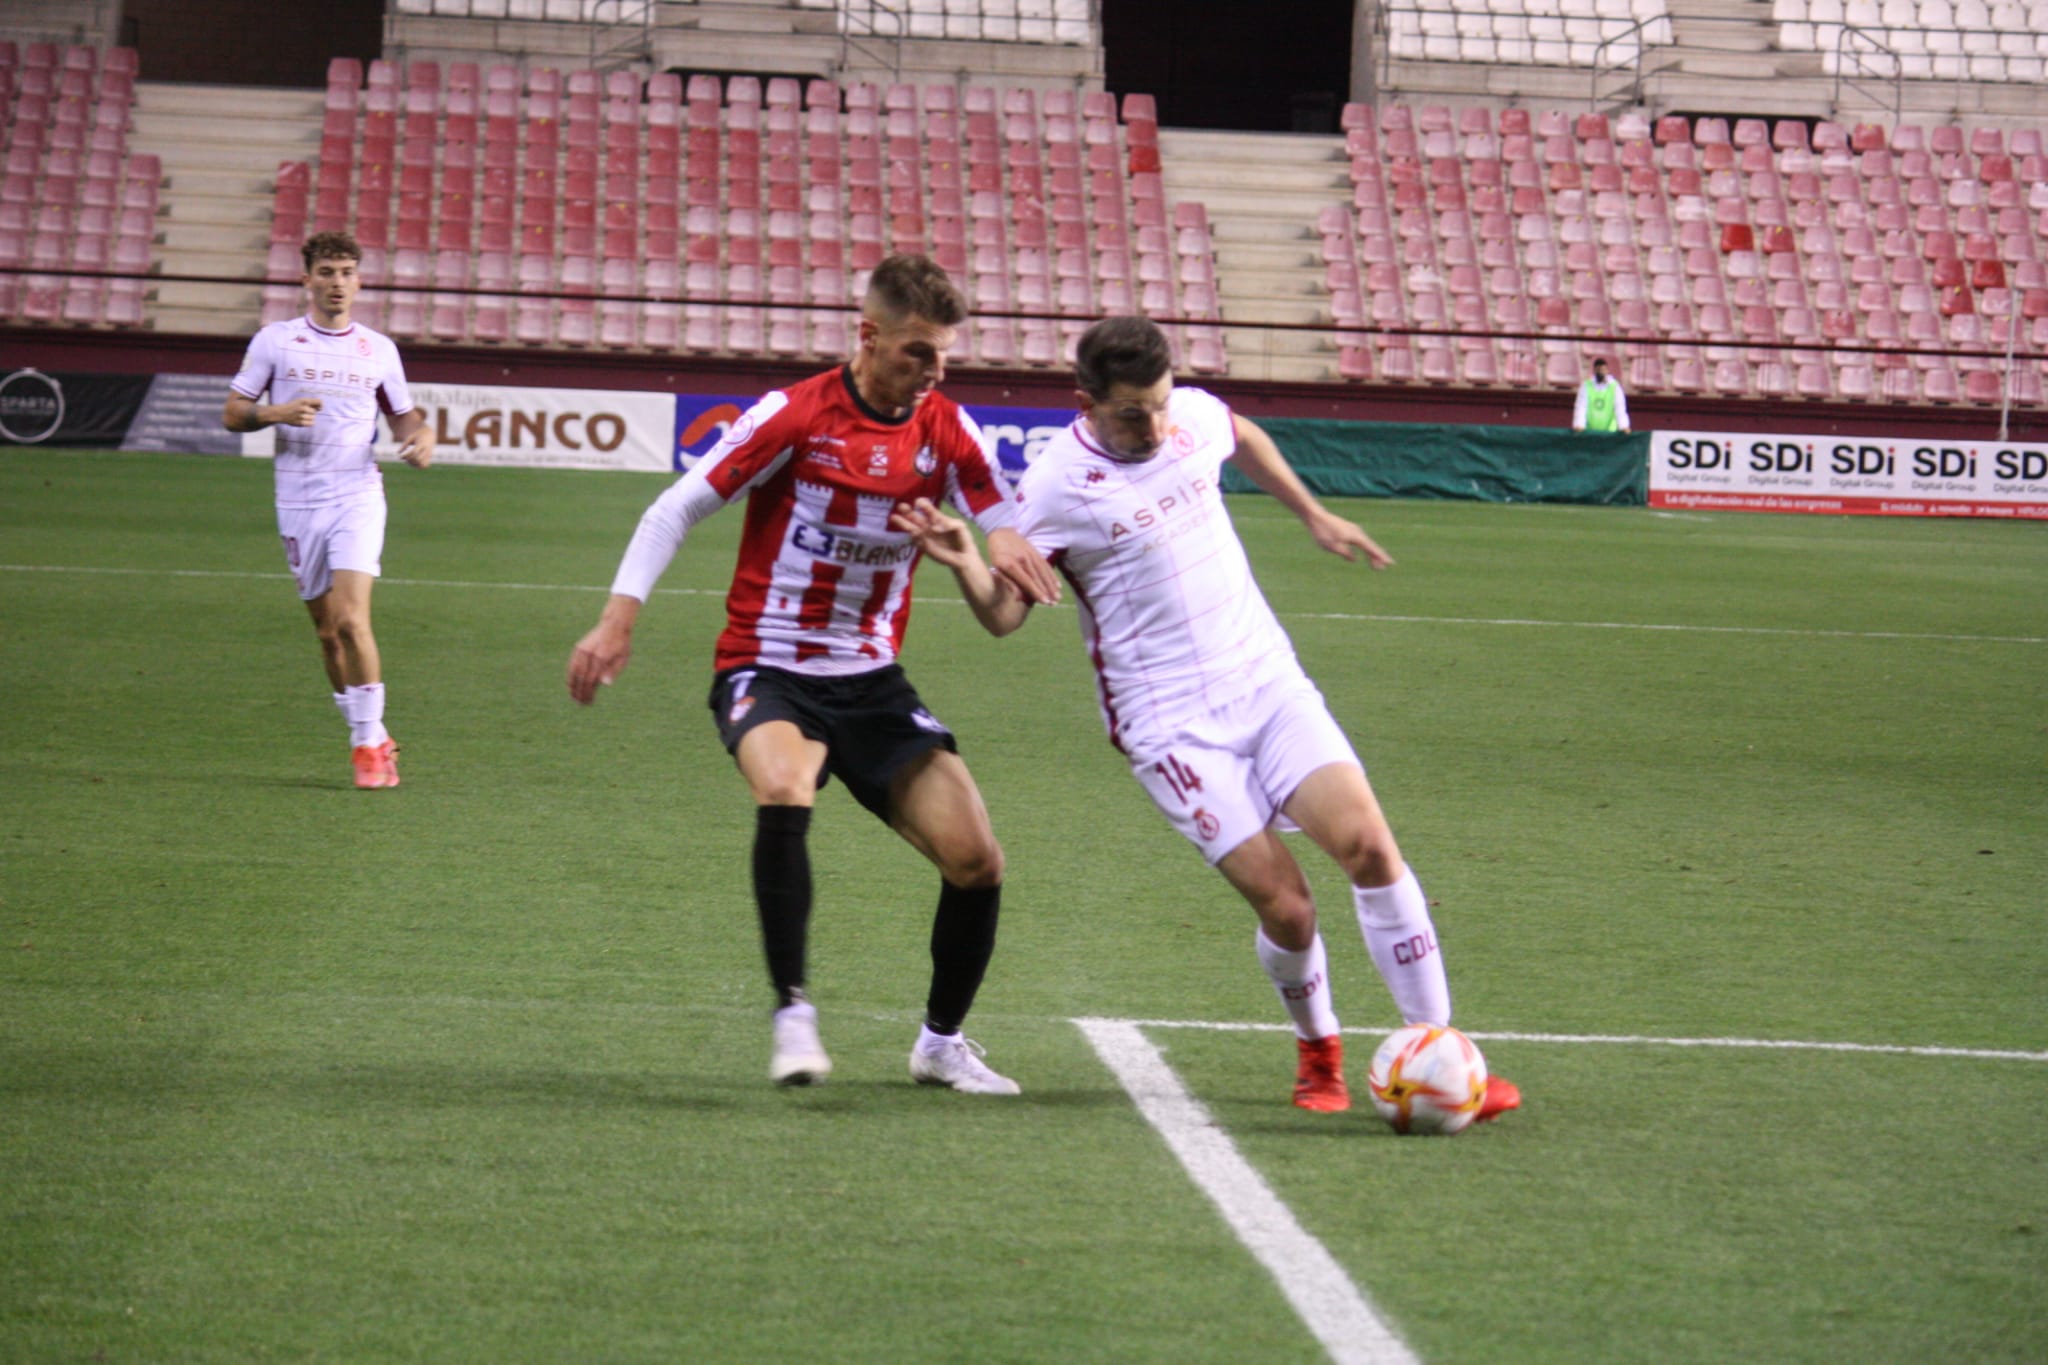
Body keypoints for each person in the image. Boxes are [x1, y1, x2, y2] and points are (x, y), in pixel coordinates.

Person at [892, 315, 1519, 1119]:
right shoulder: (1052, 487)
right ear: (1084, 402)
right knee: (1289, 906)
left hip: (1266, 680)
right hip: (1171, 725)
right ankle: (1318, 1048)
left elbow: (1242, 433)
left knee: (1371, 848)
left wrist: (1312, 514)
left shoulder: (1187, 414)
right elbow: (1006, 617)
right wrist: (969, 562)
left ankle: (1444, 1057)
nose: (1155, 426)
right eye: (1131, 413)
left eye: (1159, 404)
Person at [566, 254, 1062, 1094]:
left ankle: (940, 1043)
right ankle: (792, 1011)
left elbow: (1000, 587)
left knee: (979, 858)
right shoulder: (795, 415)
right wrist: (618, 622)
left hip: (871, 680)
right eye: (917, 353)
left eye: (944, 356)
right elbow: (675, 506)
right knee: (787, 787)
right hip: (768, 664)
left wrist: (988, 547)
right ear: (867, 337)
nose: (934, 373)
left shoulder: (949, 429)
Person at [223, 230, 434, 789]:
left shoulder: (379, 350)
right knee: (326, 634)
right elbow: (233, 412)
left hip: (357, 492)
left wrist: (422, 434)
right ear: (307, 279)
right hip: (296, 498)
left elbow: (404, 417)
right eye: (327, 272)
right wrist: (277, 413)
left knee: (350, 619)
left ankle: (366, 748)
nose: (337, 283)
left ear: (359, 280)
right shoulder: (276, 341)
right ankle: (373, 729)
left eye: (346, 272)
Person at [1571, 357, 1631, 433]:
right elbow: (1581, 407)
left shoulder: (1615, 387)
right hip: (1590, 432)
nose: (1601, 373)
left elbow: (1620, 408)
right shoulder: (1586, 386)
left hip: (1609, 433)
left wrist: (1624, 426)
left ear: (1607, 371)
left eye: (1603, 370)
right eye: (1598, 370)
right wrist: (1579, 424)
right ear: (1594, 371)